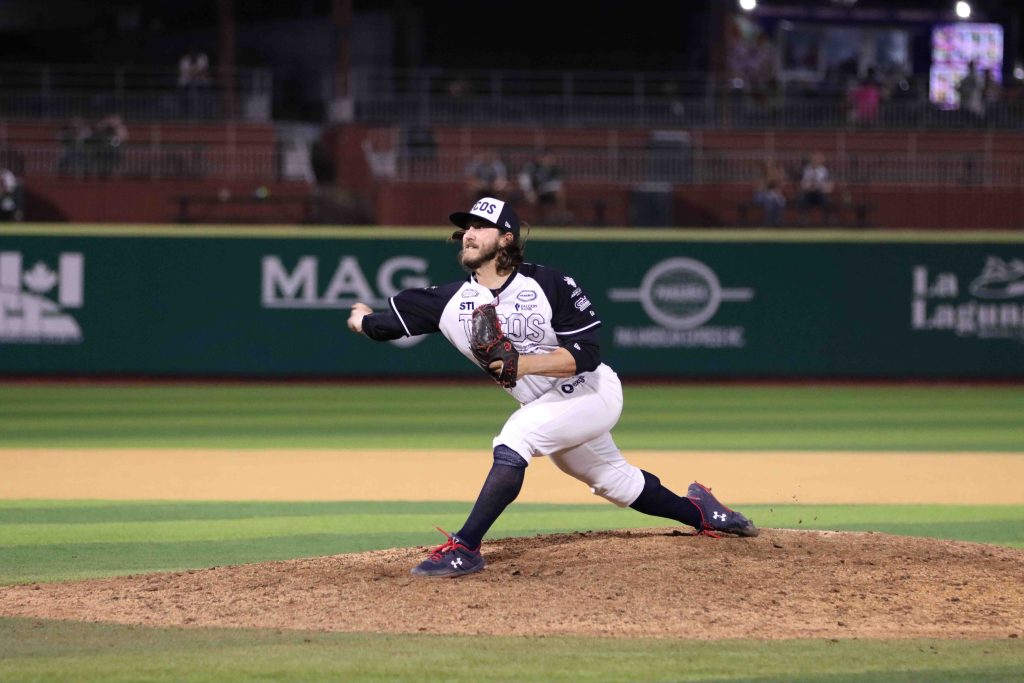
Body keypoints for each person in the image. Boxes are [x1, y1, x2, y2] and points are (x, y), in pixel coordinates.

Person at [345, 197, 758, 578]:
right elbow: (385, 325)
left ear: (506, 238)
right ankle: (704, 513)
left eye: (481, 226)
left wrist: (522, 364)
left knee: (516, 437)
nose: (469, 233)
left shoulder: (548, 283)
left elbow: (588, 353)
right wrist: (362, 319)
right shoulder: (448, 302)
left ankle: (465, 547)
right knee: (616, 482)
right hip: (548, 407)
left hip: (591, 391)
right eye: (466, 227)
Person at [518, 151, 567, 225]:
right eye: (548, 158)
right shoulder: (532, 167)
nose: (550, 160)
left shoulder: (554, 169)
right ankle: (533, 221)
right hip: (534, 192)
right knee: (531, 198)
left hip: (548, 192)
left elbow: (557, 183)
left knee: (560, 193)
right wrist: (529, 191)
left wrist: (544, 189)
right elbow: (524, 178)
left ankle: (559, 219)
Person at [797, 151, 834, 226]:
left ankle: (827, 219)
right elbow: (802, 184)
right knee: (801, 197)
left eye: (817, 159)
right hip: (808, 193)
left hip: (820, 193)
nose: (815, 161)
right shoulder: (805, 170)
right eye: (814, 159)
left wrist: (820, 186)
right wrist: (809, 187)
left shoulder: (825, 171)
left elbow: (829, 185)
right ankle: (804, 218)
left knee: (825, 198)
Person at [753, 158, 786, 226]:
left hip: (771, 195)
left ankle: (777, 220)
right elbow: (761, 189)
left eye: (771, 166)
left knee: (781, 201)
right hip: (760, 195)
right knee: (770, 201)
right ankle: (769, 221)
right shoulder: (762, 176)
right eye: (768, 166)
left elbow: (779, 189)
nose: (770, 169)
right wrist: (768, 180)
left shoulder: (775, 177)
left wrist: (779, 178)